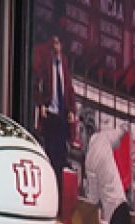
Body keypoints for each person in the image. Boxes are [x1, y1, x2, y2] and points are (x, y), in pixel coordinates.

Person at [32, 34, 76, 209]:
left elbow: (69, 88)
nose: (57, 47)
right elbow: (38, 84)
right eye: (54, 43)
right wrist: (41, 103)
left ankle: (59, 198)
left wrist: (71, 110)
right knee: (51, 155)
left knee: (61, 157)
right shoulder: (46, 62)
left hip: (62, 116)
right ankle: (50, 197)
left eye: (59, 43)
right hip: (50, 114)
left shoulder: (63, 63)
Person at [84, 121, 132, 224]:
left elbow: (93, 197)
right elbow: (116, 136)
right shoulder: (103, 138)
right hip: (120, 209)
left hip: (115, 212)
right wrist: (123, 129)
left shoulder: (89, 161)